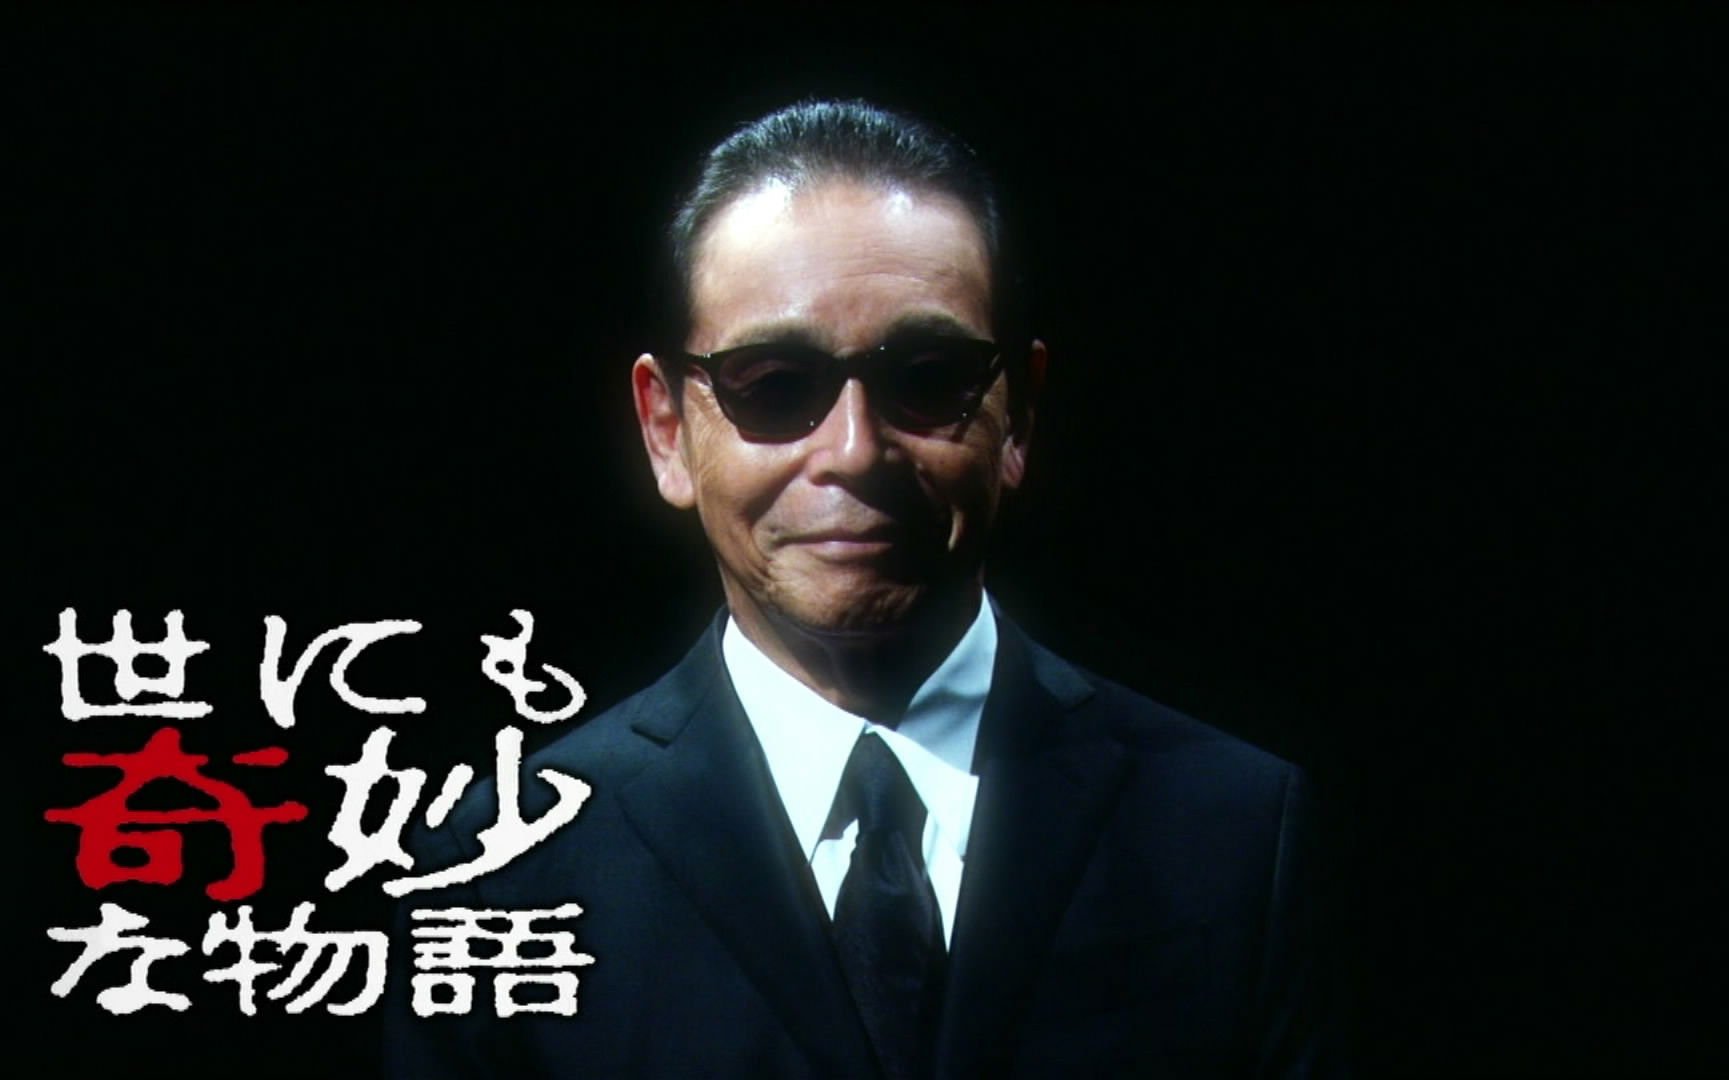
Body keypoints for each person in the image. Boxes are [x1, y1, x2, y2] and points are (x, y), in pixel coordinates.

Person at [386, 99, 1336, 1079]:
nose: (854, 450)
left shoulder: (1234, 830)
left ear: (1019, 417)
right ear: (666, 431)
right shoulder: (498, 870)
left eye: (928, 375)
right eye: (773, 383)